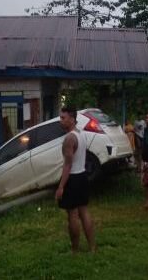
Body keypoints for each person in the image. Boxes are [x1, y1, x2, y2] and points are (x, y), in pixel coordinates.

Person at [55, 106, 96, 253]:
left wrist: (61, 187)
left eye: (63, 118)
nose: (61, 121)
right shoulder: (81, 134)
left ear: (72, 119)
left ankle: (75, 250)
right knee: (84, 212)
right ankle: (92, 247)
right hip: (83, 176)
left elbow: (68, 164)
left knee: (72, 215)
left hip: (73, 178)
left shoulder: (69, 138)